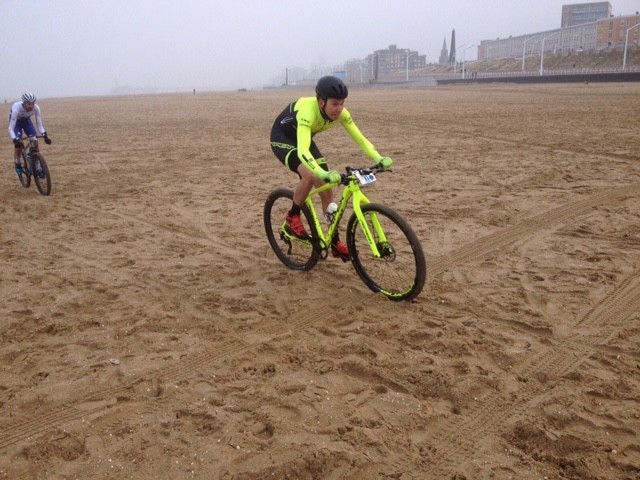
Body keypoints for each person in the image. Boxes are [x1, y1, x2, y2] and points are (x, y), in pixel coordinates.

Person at [270, 76, 392, 260]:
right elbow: (303, 150)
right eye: (335, 103)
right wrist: (321, 172)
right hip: (283, 138)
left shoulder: (342, 114)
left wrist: (379, 157)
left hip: (304, 138)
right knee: (310, 176)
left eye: (342, 103)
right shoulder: (307, 112)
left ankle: (334, 242)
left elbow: (360, 139)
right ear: (321, 102)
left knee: (327, 193)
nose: (339, 108)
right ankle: (292, 216)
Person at [8, 93, 52, 175]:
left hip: (26, 121)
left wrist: (45, 135)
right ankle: (17, 162)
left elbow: (39, 125)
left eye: (33, 103)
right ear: (24, 103)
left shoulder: (36, 108)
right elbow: (10, 128)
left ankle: (37, 165)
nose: (31, 106)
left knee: (35, 142)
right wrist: (15, 139)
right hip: (16, 123)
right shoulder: (16, 108)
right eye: (29, 104)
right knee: (19, 145)